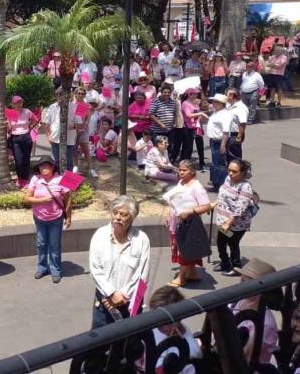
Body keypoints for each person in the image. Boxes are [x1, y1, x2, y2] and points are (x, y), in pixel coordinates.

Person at [89, 196, 150, 328]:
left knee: (129, 344)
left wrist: (122, 296)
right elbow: (95, 269)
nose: (117, 217)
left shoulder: (141, 239)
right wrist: (111, 293)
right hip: (104, 302)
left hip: (130, 303)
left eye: (123, 215)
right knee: (99, 343)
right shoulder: (100, 235)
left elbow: (142, 274)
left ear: (132, 217)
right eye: (115, 213)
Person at [162, 160, 213, 287]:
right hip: (177, 219)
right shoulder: (181, 182)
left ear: (192, 171)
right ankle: (192, 272)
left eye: (184, 170)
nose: (181, 172)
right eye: (180, 169)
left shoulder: (197, 187)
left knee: (184, 249)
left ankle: (181, 278)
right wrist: (170, 213)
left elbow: (206, 206)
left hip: (188, 223)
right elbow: (175, 200)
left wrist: (191, 211)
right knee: (183, 247)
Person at [23, 157, 71, 283]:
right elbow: (27, 198)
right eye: (41, 166)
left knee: (54, 246)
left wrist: (69, 217)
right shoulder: (35, 179)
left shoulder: (60, 179)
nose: (43, 168)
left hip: (56, 218)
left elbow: (68, 199)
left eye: (46, 165)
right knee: (41, 244)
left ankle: (56, 270)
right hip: (39, 218)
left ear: (52, 167)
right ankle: (42, 267)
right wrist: (41, 201)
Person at [230, 258, 279, 365]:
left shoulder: (265, 324)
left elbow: (243, 357)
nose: (241, 285)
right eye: (242, 280)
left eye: (247, 282)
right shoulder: (242, 301)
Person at [145, 286, 203, 373]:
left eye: (164, 321)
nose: (158, 325)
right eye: (155, 318)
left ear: (177, 320)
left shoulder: (189, 350)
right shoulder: (155, 328)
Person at [214, 159, 256, 276]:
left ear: (242, 173)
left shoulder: (245, 187)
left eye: (234, 171)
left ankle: (236, 267)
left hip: (236, 224)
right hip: (223, 221)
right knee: (220, 242)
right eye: (229, 170)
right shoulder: (228, 179)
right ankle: (225, 263)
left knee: (233, 243)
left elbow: (240, 209)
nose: (230, 173)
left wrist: (229, 222)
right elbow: (223, 195)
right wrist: (215, 203)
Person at [41, 88, 83, 172]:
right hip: (55, 139)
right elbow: (46, 124)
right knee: (56, 161)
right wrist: (48, 136)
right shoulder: (52, 107)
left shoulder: (75, 107)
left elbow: (80, 124)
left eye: (62, 94)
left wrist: (74, 126)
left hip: (69, 140)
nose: (59, 96)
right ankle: (58, 179)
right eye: (58, 94)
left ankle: (68, 181)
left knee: (69, 162)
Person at [6, 95, 39, 187]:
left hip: (26, 137)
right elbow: (9, 129)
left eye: (20, 102)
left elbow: (35, 120)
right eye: (16, 103)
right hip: (15, 138)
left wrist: (29, 127)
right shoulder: (9, 113)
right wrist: (8, 125)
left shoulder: (27, 111)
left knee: (26, 159)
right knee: (18, 160)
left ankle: (25, 179)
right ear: (12, 104)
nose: (19, 104)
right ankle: (20, 178)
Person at [225, 87, 248, 163]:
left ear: (231, 96)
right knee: (229, 156)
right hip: (228, 134)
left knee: (234, 156)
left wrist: (239, 137)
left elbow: (243, 123)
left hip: (234, 135)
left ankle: (238, 172)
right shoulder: (230, 105)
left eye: (227, 95)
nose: (225, 96)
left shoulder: (241, 108)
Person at [240, 58, 265, 125]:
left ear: (253, 68)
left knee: (252, 107)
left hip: (253, 92)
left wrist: (260, 93)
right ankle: (244, 119)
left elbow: (261, 84)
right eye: (247, 66)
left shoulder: (257, 75)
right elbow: (243, 82)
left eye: (250, 67)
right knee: (244, 107)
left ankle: (251, 119)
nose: (248, 68)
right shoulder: (244, 74)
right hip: (244, 92)